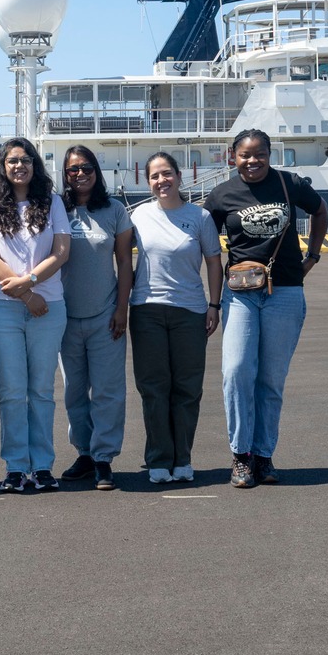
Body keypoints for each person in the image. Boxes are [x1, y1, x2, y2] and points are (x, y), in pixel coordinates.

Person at [205, 129, 328, 489]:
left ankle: (263, 455)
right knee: (236, 372)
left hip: (285, 290)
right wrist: (212, 300)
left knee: (271, 379)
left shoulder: (290, 184)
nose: (252, 161)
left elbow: (320, 211)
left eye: (259, 154)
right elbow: (207, 246)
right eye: (245, 154)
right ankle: (240, 455)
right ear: (233, 156)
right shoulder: (221, 195)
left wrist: (312, 257)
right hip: (240, 293)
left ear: (270, 154)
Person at [0, 138, 71, 493]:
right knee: (12, 391)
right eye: (13, 161)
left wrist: (30, 282)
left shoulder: (52, 203)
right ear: (3, 167)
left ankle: (43, 465)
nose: (20, 166)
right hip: (4, 307)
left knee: (42, 390)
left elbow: (61, 252)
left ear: (35, 164)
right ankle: (16, 466)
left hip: (49, 307)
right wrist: (27, 294)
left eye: (26, 160)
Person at [129, 152, 223, 485]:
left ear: (180, 177)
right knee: (153, 388)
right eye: (154, 176)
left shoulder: (200, 217)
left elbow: (214, 261)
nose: (161, 181)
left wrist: (214, 305)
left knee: (187, 388)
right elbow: (121, 257)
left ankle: (182, 458)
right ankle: (158, 458)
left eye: (167, 174)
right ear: (148, 182)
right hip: (147, 310)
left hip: (190, 312)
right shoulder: (139, 216)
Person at [56, 146, 133, 490]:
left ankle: (103, 458)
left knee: (107, 391)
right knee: (73, 392)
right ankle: (84, 453)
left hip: (105, 315)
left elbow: (125, 262)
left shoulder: (114, 210)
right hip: (64, 318)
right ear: (65, 174)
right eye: (73, 169)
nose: (80, 174)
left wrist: (121, 309)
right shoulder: (56, 208)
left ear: (96, 171)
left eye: (86, 168)